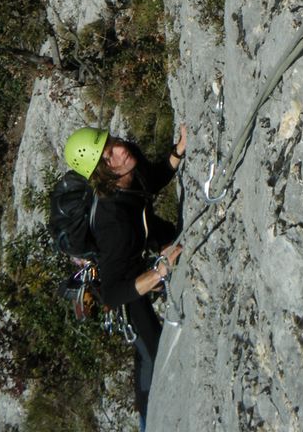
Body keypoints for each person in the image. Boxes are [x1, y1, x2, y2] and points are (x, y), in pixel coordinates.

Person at [64, 123, 187, 429]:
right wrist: (158, 273)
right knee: (152, 351)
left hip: (143, 240)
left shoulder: (130, 170)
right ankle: (149, 422)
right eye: (109, 154)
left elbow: (153, 180)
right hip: (125, 277)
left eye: (113, 142)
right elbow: (114, 292)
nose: (121, 149)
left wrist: (178, 150)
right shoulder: (112, 221)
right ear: (104, 172)